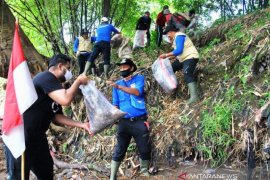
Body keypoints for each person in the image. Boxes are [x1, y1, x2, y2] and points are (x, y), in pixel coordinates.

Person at [15, 54, 91, 179]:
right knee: (21, 175)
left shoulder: (55, 88)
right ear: (60, 66)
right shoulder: (45, 77)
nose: (70, 72)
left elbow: (57, 117)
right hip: (23, 136)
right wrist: (78, 81)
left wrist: (82, 125)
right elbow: (65, 99)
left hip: (38, 137)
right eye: (68, 68)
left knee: (46, 172)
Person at [106, 59, 151, 180]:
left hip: (139, 120)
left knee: (144, 147)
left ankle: (144, 171)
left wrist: (118, 86)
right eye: (120, 68)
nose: (122, 69)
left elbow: (137, 92)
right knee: (119, 149)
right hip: (123, 122)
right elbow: (115, 103)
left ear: (131, 68)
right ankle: (112, 176)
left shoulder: (138, 79)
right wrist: (113, 116)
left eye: (124, 67)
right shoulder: (117, 84)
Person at [159, 24, 200, 105]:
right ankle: (172, 88)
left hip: (190, 57)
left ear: (170, 32)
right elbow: (176, 53)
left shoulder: (179, 36)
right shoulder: (175, 39)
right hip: (182, 59)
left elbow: (179, 50)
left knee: (187, 73)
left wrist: (166, 55)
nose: (167, 36)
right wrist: (166, 58)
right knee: (171, 68)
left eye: (167, 34)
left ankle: (195, 97)